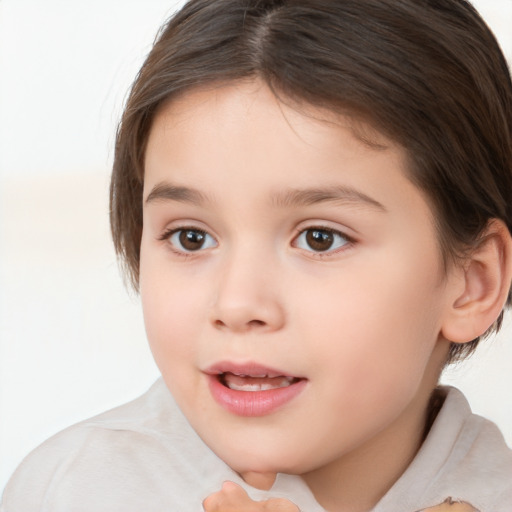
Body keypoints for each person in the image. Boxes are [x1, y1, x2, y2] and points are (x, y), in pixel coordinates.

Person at [2, 0, 512, 511]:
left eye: (319, 238)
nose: (238, 303)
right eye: (191, 237)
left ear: (473, 282)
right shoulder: (73, 492)